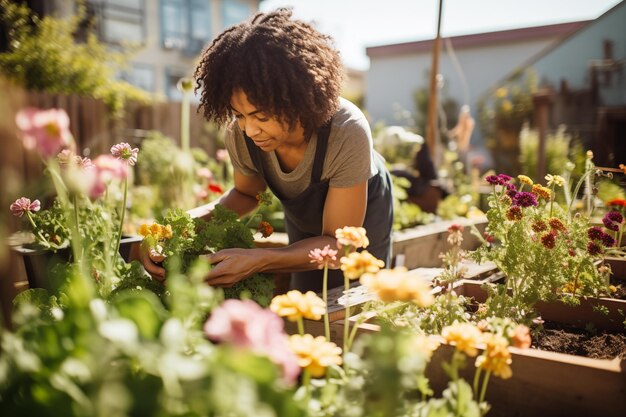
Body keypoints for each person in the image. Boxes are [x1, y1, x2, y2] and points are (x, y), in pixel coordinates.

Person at [141, 8, 394, 293]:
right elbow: (246, 194)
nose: (249, 130)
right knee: (309, 302)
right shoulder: (242, 133)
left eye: (261, 117)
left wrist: (260, 260)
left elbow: (339, 244)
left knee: (359, 300)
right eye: (239, 115)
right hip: (306, 220)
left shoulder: (346, 131)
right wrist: (172, 229)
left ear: (296, 100)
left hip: (361, 218)